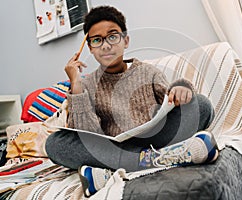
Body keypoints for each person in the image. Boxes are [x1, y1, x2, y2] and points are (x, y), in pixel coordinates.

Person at [45, 5, 218, 197]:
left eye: (113, 36)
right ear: (90, 48)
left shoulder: (147, 72)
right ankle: (153, 160)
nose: (106, 45)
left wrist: (181, 87)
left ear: (125, 40)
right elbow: (88, 136)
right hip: (112, 147)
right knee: (54, 143)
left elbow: (171, 101)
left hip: (154, 138)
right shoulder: (85, 86)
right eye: (97, 40)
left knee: (202, 105)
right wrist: (75, 85)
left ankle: (116, 170)